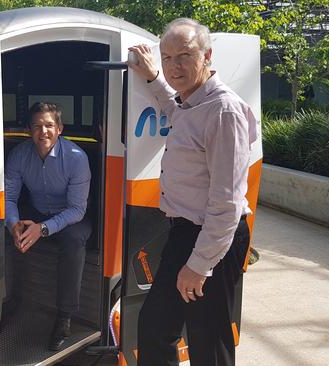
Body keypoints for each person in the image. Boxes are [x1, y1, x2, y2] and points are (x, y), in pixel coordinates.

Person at [128, 18, 257, 366]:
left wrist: (200, 266)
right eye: (167, 57)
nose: (175, 66)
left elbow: (227, 203)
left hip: (213, 237)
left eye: (184, 55)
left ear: (206, 56)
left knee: (208, 341)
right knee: (156, 328)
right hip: (186, 232)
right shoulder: (193, 103)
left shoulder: (223, 111)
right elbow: (177, 112)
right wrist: (154, 79)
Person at [4, 101, 92, 351]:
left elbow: (77, 210)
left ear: (60, 128)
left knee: (73, 242)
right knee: (2, 232)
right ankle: (10, 300)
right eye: (37, 126)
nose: (43, 131)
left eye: (49, 125)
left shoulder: (76, 158)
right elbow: (9, 198)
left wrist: (42, 228)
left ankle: (64, 317)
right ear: (28, 130)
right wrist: (13, 225)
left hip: (71, 214)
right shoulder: (19, 155)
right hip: (37, 209)